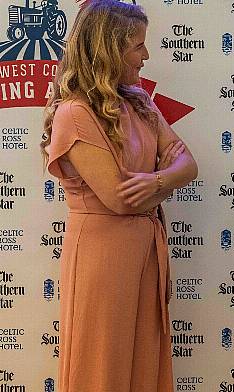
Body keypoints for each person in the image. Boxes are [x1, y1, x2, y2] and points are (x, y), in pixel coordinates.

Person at [41, 1, 198, 391]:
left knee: (143, 361)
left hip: (144, 253)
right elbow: (119, 199)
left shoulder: (139, 102)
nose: (146, 56)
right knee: (101, 366)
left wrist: (158, 182)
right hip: (103, 258)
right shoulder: (74, 113)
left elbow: (189, 165)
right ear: (109, 48)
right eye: (137, 46)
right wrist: (166, 175)